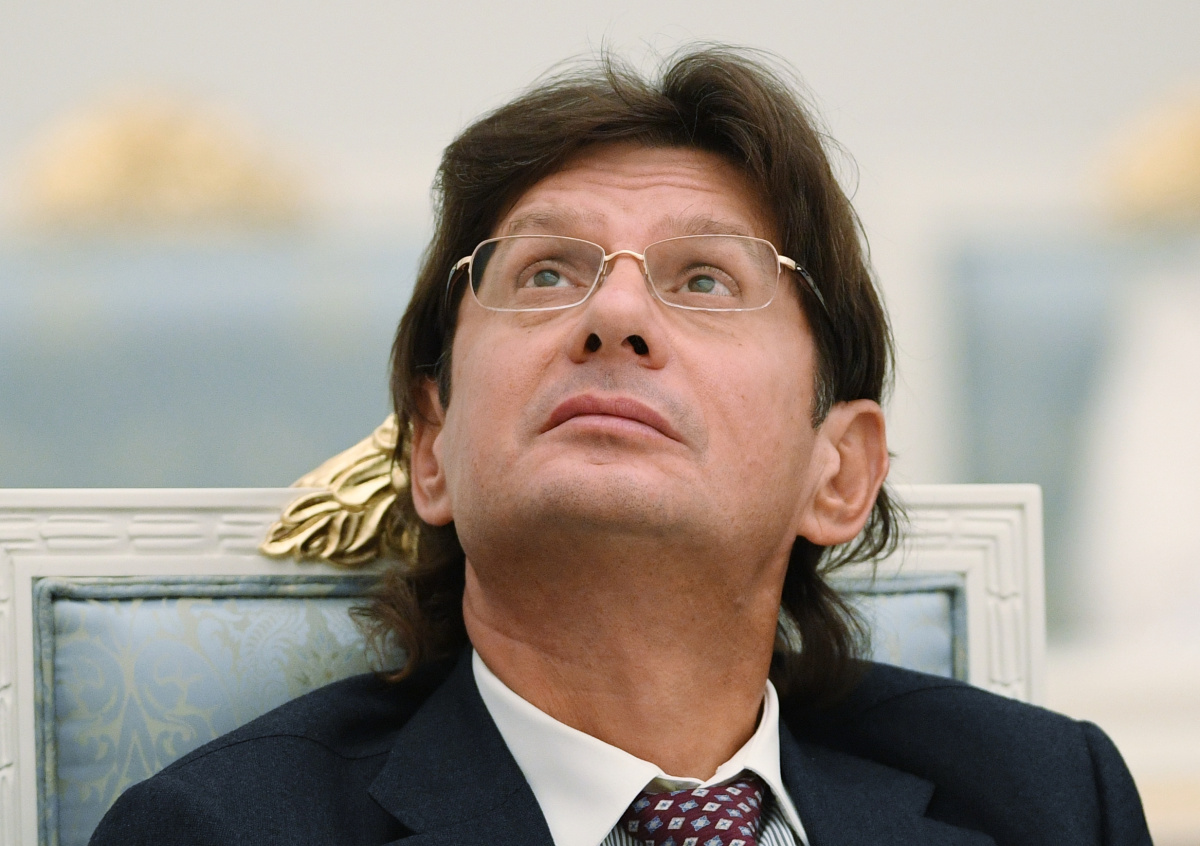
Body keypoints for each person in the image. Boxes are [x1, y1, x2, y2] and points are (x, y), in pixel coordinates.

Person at [90, 46, 1151, 846]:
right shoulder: (220, 829)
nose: (615, 315)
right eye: (547, 272)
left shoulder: (1048, 801)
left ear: (839, 472)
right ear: (431, 448)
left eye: (706, 279)